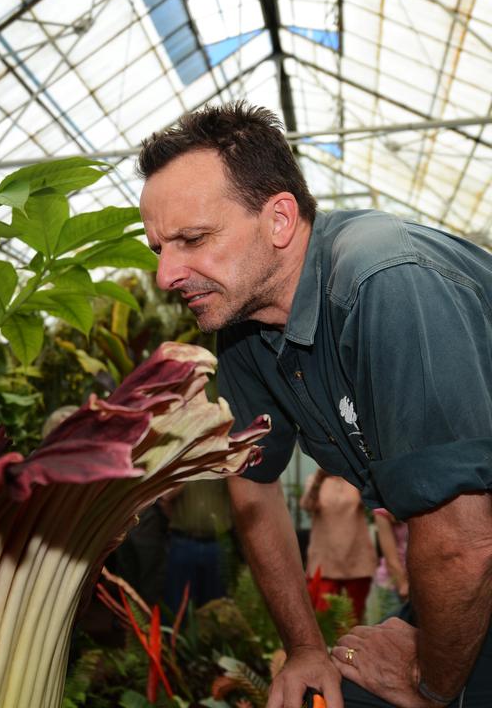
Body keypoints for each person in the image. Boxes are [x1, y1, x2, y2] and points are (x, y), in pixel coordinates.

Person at [136, 101, 492, 708]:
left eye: (193, 239)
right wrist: (303, 648)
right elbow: (252, 484)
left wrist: (431, 687)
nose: (168, 274)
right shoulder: (245, 327)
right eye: (159, 249)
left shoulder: (384, 282)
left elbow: (464, 542)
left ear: (279, 219)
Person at [299, 469, 377, 623]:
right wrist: (318, 481)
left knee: (352, 619)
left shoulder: (355, 477)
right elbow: (307, 505)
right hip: (325, 559)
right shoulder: (315, 479)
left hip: (356, 557)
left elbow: (373, 501)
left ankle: (353, 648)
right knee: (322, 619)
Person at [161, 479, 233, 616]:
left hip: (217, 544)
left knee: (216, 607)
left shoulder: (226, 465)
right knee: (177, 604)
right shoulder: (184, 465)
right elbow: (165, 498)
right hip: (183, 542)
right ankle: (176, 637)